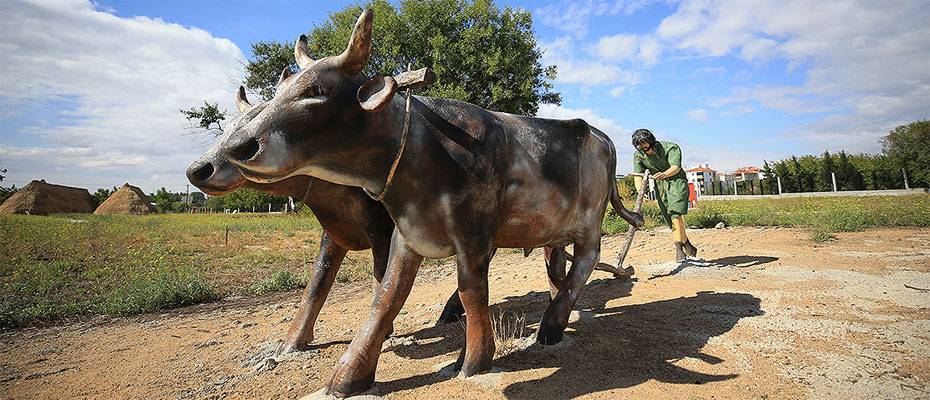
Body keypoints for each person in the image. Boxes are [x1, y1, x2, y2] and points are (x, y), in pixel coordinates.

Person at [631, 129, 698, 262]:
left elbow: (676, 167)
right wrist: (640, 192)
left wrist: (665, 174)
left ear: (651, 142)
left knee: (675, 213)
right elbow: (638, 175)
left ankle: (679, 249)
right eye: (640, 147)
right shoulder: (638, 155)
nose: (644, 150)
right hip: (660, 186)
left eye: (645, 146)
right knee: (669, 217)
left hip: (676, 181)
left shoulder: (671, 148)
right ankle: (688, 245)